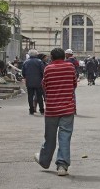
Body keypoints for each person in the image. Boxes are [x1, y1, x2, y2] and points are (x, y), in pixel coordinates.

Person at [34, 47, 77, 176]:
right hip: (67, 108)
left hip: (52, 108)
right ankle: (62, 166)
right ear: (64, 57)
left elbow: (44, 86)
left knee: (50, 137)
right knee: (65, 137)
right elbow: (74, 84)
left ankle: (44, 160)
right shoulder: (70, 67)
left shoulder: (48, 69)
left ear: (51, 58)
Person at [22, 49, 45, 115]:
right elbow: (43, 71)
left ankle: (31, 110)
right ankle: (41, 110)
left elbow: (23, 72)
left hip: (29, 82)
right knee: (39, 96)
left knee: (30, 96)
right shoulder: (39, 61)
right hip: (38, 82)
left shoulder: (26, 62)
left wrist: (26, 77)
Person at [65, 49, 79, 114]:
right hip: (74, 79)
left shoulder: (66, 61)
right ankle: (74, 109)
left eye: (66, 54)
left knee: (66, 95)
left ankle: (67, 109)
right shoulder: (76, 61)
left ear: (68, 54)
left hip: (67, 79)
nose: (65, 55)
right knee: (73, 95)